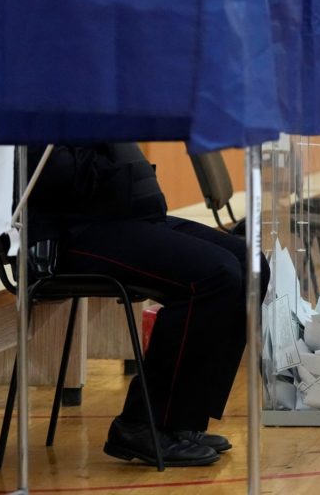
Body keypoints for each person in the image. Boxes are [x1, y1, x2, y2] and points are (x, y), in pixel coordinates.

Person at [25, 143, 263, 467]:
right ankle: (141, 423)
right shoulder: (35, 113)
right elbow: (53, 175)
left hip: (126, 218)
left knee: (251, 264)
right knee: (216, 275)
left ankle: (181, 420)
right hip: (73, 232)